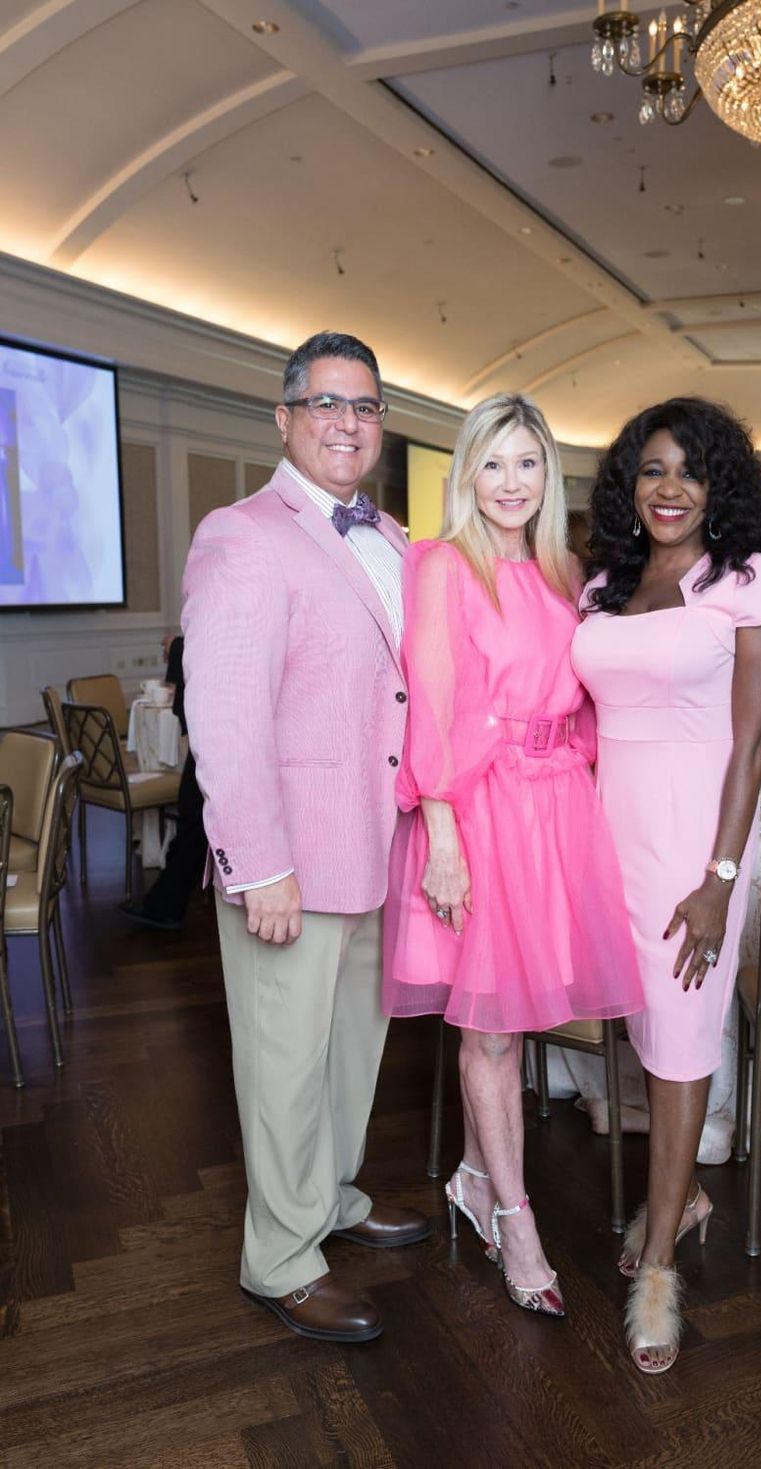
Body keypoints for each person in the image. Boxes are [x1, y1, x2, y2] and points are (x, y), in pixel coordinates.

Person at [182, 331, 430, 1346]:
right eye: (324, 402)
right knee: (282, 1059)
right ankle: (278, 1255)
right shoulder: (240, 533)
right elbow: (226, 716)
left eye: (365, 406)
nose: (346, 421)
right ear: (282, 418)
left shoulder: (398, 538)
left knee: (348, 1052)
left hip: (376, 848)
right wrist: (259, 865)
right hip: (289, 858)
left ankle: (326, 1194)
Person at [384, 393, 642, 1320]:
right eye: (491, 464)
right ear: (467, 472)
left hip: (556, 809)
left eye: (526, 463)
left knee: (523, 1018)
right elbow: (434, 703)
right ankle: (516, 1217)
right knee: (488, 1028)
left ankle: (471, 1172)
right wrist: (442, 832)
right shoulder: (444, 566)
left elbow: (590, 702)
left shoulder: (567, 569)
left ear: (548, 475)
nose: (509, 483)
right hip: (479, 810)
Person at [572, 397, 761, 1374]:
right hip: (604, 835)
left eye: (688, 471)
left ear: (720, 486)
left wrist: (717, 878)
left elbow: (749, 746)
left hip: (691, 847)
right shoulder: (602, 583)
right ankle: (684, 1197)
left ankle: (658, 1259)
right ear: (630, 482)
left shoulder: (748, 582)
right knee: (641, 1028)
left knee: (678, 1039)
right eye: (651, 469)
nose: (667, 489)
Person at [120, 633, 208, 931]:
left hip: (218, 731)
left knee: (193, 818)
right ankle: (165, 902)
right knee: (193, 817)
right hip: (217, 730)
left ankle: (165, 905)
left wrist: (179, 645)